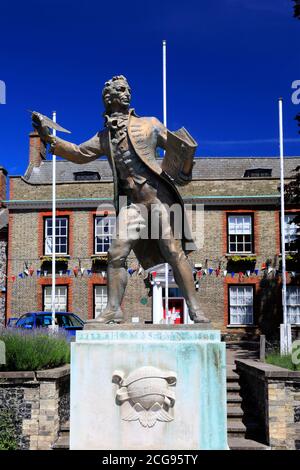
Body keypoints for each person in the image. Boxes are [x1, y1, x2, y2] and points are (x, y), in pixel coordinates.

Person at [32, 75, 209, 324]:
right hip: (133, 204)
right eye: (122, 90)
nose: (127, 94)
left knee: (173, 251)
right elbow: (80, 153)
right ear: (110, 97)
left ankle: (194, 308)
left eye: (128, 90)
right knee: (115, 253)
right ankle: (113, 308)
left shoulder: (150, 124)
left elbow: (177, 154)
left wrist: (186, 164)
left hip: (158, 199)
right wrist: (48, 136)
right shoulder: (104, 137)